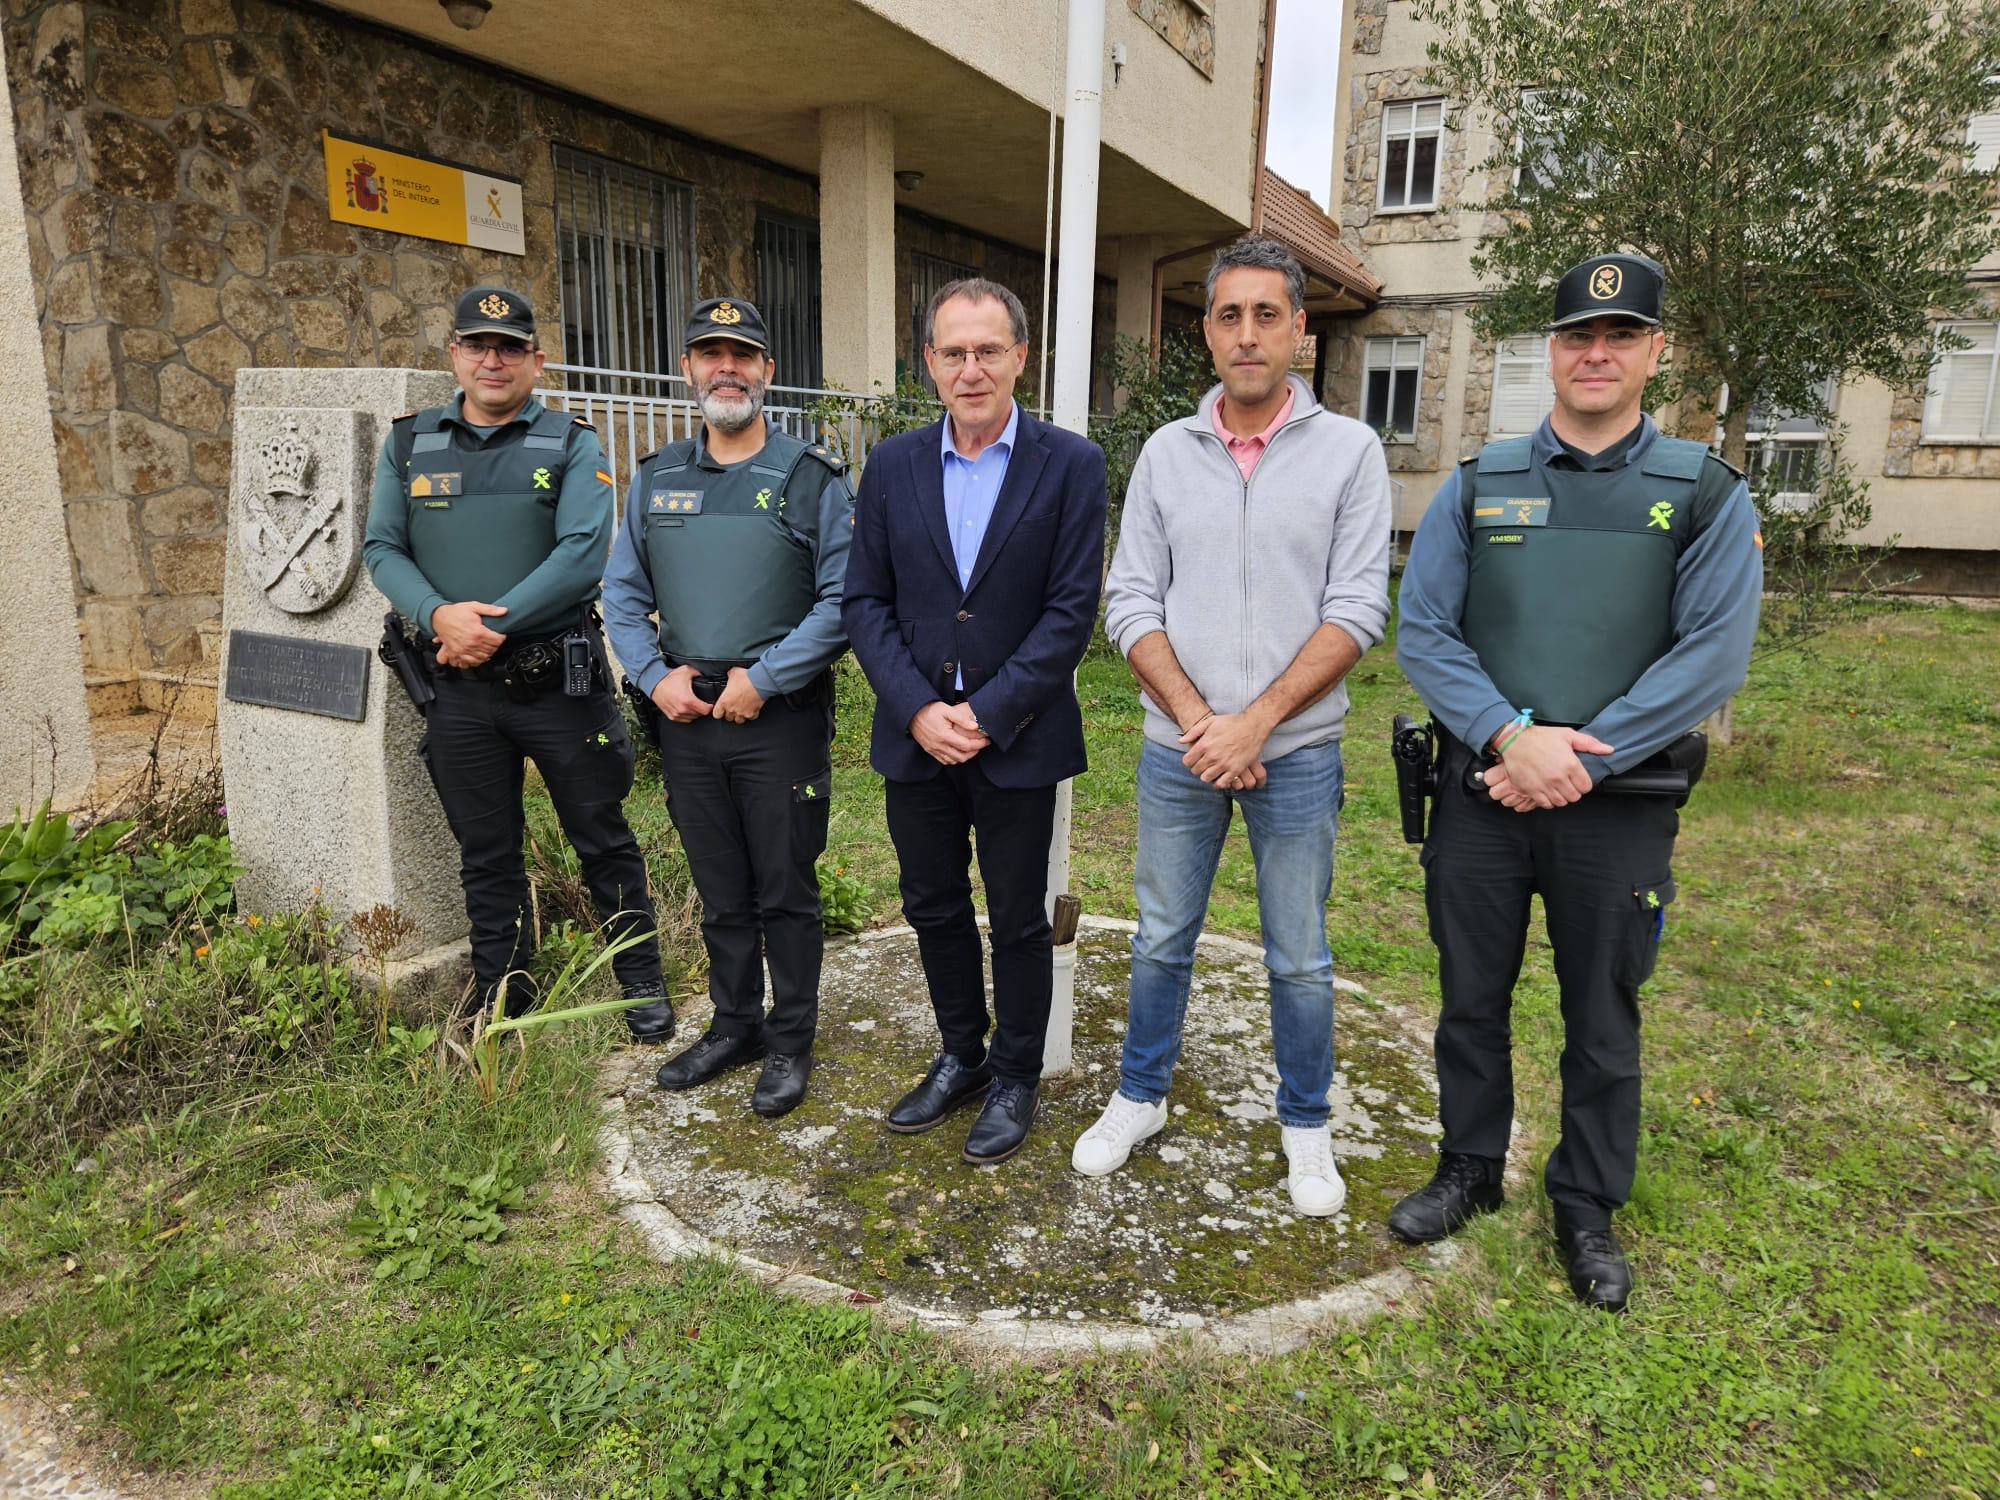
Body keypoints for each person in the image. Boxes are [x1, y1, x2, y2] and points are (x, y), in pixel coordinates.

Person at [1390, 252, 1762, 1311]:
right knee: (1469, 999)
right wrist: (1511, 740)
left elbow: (1708, 657)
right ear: (1547, 351)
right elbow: (1424, 630)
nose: (1594, 353)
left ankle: (1584, 1203)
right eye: (1574, 336)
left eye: (1619, 335)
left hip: (1619, 806)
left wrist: (1569, 754)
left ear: (1655, 350)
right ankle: (1468, 1166)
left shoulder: (1699, 492)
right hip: (1484, 796)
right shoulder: (1481, 482)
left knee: (1601, 1013)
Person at [1069, 235, 1391, 1217]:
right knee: (1162, 936)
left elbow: (1354, 611)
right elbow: (1128, 601)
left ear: (1298, 327)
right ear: (1204, 333)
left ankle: (1304, 1125)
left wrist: (1253, 724)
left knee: (1297, 952)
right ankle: (1139, 1097)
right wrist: (1204, 724)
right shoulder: (1168, 455)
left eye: (1265, 314)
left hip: (1293, 753)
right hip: (1178, 751)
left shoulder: (1350, 453)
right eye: (1226, 316)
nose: (1245, 334)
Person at [362, 285, 673, 1044]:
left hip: (555, 685)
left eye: (509, 347)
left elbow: (579, 557)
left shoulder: (572, 443)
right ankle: (506, 993)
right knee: (486, 852)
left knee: (601, 836)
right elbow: (382, 548)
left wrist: (484, 626)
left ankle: (639, 980)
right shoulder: (408, 444)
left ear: (537, 360)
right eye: (477, 345)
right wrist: (439, 617)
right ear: (454, 356)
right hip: (458, 691)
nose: (492, 359)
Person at [842, 277, 1106, 1165]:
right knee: (932, 905)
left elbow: (1070, 613)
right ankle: (960, 1054)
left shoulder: (1070, 464)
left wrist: (986, 716)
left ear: (1021, 357)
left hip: (1018, 736)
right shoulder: (893, 464)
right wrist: (919, 708)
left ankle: (1017, 1074)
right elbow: (864, 602)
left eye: (988, 350)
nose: (971, 368)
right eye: (953, 352)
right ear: (929, 364)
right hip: (914, 737)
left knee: (1019, 916)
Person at [602, 297, 853, 1119]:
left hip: (774, 718)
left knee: (785, 890)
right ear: (688, 370)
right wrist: (652, 676)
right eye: (710, 354)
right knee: (721, 891)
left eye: (743, 355)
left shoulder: (809, 477)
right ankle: (734, 1024)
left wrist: (766, 679)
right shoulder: (657, 478)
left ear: (768, 373)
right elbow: (621, 589)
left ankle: (789, 1042)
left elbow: (843, 599)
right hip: (685, 717)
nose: (727, 368)